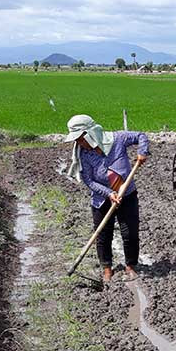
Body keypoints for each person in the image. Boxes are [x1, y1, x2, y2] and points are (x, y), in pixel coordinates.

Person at [66, 114, 149, 282]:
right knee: (103, 235)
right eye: (78, 140)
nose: (80, 143)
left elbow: (141, 136)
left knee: (130, 233)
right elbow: (88, 180)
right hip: (102, 199)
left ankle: (130, 266)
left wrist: (142, 152)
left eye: (81, 139)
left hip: (127, 194)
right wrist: (109, 193)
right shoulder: (83, 154)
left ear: (91, 134)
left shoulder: (117, 139)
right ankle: (107, 269)